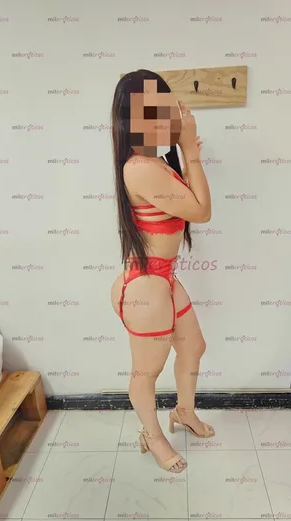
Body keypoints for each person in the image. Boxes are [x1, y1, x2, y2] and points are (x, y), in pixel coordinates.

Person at [110, 70, 214, 473]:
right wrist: (191, 153)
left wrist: (184, 154)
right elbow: (201, 211)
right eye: (153, 111)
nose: (167, 118)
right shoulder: (140, 167)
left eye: (167, 107)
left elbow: (192, 203)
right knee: (146, 371)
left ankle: (183, 412)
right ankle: (151, 436)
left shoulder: (156, 161)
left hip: (164, 277)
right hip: (145, 287)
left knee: (193, 347)